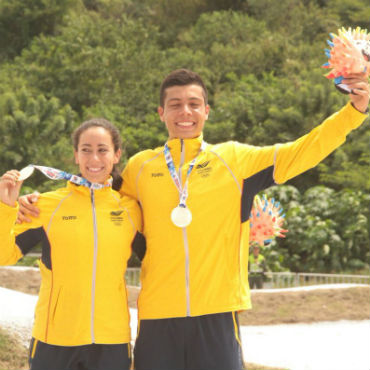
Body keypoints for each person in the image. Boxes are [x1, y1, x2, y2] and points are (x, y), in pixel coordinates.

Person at [18, 69, 370, 370]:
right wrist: (37, 204)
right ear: (161, 112)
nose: (184, 112)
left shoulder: (235, 161)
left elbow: (304, 149)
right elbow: (97, 193)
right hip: (157, 316)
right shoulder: (141, 167)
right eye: (174, 105)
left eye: (193, 104)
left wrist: (353, 111)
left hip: (216, 313)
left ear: (206, 111)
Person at [0, 118, 141, 370]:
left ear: (116, 155)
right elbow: (4, 255)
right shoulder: (46, 205)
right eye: (86, 150)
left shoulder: (131, 209)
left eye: (102, 150)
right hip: (54, 339)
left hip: (112, 340)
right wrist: (5, 208)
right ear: (76, 155)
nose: (94, 158)